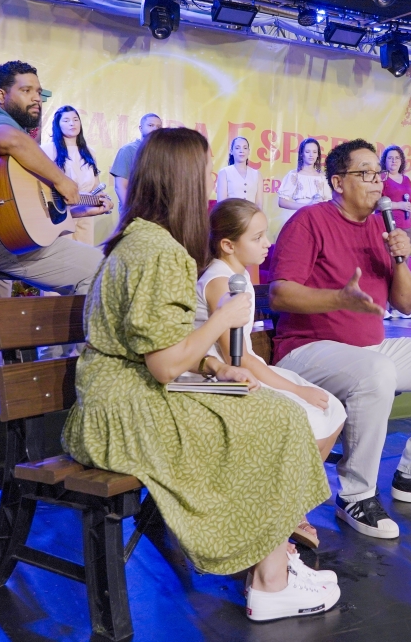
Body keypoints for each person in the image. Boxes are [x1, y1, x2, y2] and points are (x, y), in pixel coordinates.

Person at [61, 128, 339, 622]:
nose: (213, 176)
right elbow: (165, 363)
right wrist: (221, 320)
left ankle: (272, 568)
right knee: (275, 420)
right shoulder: (159, 250)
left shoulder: (144, 239)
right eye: (207, 168)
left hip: (116, 396)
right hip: (118, 411)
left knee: (267, 413)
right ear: (183, 179)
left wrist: (215, 365)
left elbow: (159, 340)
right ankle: (272, 581)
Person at [269, 139, 411, 540]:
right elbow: (280, 293)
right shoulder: (309, 221)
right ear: (337, 182)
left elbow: (405, 302)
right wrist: (338, 299)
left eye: (378, 173)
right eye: (364, 173)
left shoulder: (383, 227)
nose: (376, 181)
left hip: (368, 351)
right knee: (377, 370)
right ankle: (355, 494)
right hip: (306, 351)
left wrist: (401, 258)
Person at [198, 197, 346, 548]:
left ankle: (292, 505)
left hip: (249, 366)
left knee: (333, 409)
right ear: (228, 244)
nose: (267, 244)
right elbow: (235, 358)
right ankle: (281, 510)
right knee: (307, 413)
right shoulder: (220, 282)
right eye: (258, 238)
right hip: (223, 376)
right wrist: (297, 391)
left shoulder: (236, 276)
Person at [0, 61, 108, 345]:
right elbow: (9, 140)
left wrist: (79, 210)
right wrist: (61, 180)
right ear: (1, 95)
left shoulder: (18, 134)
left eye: (38, 91)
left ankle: (62, 355)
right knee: (103, 270)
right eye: (26, 91)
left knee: (99, 267)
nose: (36, 98)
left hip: (13, 240)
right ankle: (83, 358)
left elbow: (31, 208)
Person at [40, 105, 111, 245]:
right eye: (66, 120)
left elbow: (95, 185)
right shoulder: (47, 150)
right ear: (58, 124)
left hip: (86, 213)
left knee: (84, 252)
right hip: (60, 214)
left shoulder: (90, 152)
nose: (72, 123)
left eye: (75, 119)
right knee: (63, 253)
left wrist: (102, 199)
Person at [379, 145, 411, 319]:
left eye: (397, 158)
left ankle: (399, 307)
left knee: (402, 267)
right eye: (390, 158)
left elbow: (409, 205)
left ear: (402, 161)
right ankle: (384, 306)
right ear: (384, 161)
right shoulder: (382, 178)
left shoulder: (406, 180)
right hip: (388, 226)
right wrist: (397, 205)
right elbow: (377, 202)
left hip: (406, 227)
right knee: (387, 266)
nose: (394, 161)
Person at [110, 113, 162, 209]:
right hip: (136, 211)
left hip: (158, 211)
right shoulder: (128, 150)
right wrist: (130, 212)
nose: (155, 129)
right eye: (151, 125)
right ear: (140, 128)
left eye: (159, 127)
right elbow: (120, 187)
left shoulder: (163, 153)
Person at [276, 137, 331, 224]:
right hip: (299, 218)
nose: (311, 155)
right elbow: (282, 202)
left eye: (314, 152)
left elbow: (329, 200)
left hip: (318, 219)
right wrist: (308, 206)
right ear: (302, 154)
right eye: (307, 152)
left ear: (318, 154)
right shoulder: (294, 175)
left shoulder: (323, 176)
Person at [214, 136, 261, 206]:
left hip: (252, 212)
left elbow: (259, 204)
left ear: (249, 151)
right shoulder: (224, 172)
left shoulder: (257, 174)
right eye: (237, 148)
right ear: (231, 151)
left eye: (245, 148)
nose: (241, 151)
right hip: (231, 212)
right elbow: (221, 203)